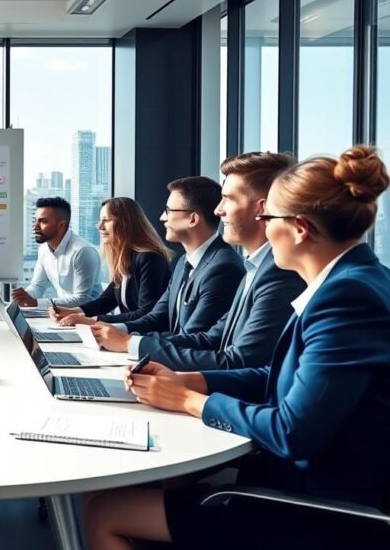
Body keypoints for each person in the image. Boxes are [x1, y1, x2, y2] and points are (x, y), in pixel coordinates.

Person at [85, 145, 390, 550]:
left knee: (104, 512)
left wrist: (189, 401)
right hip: (306, 485)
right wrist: (188, 380)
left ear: (299, 228)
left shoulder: (347, 297)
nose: (263, 226)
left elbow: (290, 432)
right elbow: (276, 376)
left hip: (319, 509)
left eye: (268, 217)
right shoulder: (349, 282)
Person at [128, 152, 305, 370]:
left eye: (228, 199)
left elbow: (241, 362)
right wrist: (134, 344)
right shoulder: (254, 267)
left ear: (262, 209)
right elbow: (213, 338)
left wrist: (184, 393)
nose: (217, 210)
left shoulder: (277, 273)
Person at [90, 176, 245, 351]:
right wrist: (113, 331)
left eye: (169, 210)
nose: (162, 217)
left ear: (193, 219)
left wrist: (129, 343)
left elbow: (192, 338)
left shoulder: (223, 268)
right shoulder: (184, 262)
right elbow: (157, 317)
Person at [51, 197, 172, 326]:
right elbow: (107, 300)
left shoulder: (149, 258)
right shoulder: (126, 258)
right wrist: (72, 312)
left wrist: (92, 321)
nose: (100, 226)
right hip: (130, 333)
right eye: (99, 221)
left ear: (126, 223)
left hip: (146, 337)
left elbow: (146, 312)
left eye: (106, 220)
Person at [12, 197, 102, 309]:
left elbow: (82, 299)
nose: (35, 227)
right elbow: (38, 286)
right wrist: (22, 297)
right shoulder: (44, 249)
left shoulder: (83, 251)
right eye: (35, 221)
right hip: (63, 314)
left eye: (43, 222)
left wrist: (35, 303)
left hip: (90, 317)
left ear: (61, 225)